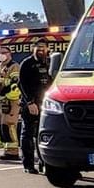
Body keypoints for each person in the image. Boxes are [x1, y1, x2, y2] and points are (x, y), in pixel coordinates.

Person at [18, 42, 55, 174]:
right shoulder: (27, 64)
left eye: (43, 48)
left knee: (43, 133)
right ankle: (28, 164)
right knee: (27, 133)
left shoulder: (49, 63)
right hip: (31, 104)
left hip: (46, 103)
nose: (40, 50)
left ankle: (43, 162)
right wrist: (29, 102)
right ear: (33, 49)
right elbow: (21, 84)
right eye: (38, 48)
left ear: (47, 49)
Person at [0, 46, 22, 160]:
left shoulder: (14, 66)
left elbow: (16, 82)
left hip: (11, 100)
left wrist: (6, 91)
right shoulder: (0, 67)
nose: (1, 55)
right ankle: (7, 150)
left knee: (9, 125)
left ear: (10, 54)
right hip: (0, 101)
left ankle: (13, 151)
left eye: (4, 52)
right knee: (2, 126)